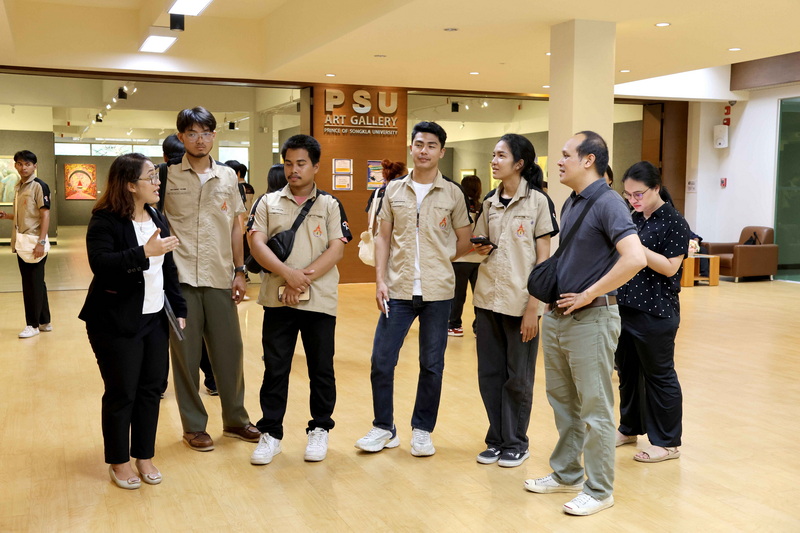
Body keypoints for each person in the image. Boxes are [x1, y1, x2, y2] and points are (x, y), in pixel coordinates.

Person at [524, 131, 646, 516]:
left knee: (595, 408)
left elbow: (635, 258)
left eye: (566, 155)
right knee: (564, 402)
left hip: (593, 318)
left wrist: (589, 293)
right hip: (560, 315)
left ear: (589, 160)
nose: (559, 161)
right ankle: (567, 473)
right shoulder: (572, 201)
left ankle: (599, 489)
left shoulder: (609, 203)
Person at [355, 121, 473, 456]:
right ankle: (384, 428)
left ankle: (422, 430)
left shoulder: (452, 194)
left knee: (432, 365)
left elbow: (464, 240)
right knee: (381, 360)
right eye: (419, 144)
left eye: (431, 145)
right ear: (411, 148)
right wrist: (380, 280)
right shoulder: (392, 191)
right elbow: (382, 237)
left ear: (441, 152)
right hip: (398, 289)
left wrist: (440, 259)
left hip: (439, 293)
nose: (424, 151)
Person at [79, 153, 187, 489]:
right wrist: (144, 253)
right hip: (114, 320)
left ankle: (144, 455)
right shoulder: (105, 219)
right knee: (122, 391)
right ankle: (119, 461)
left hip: (154, 319)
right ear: (129, 185)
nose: (157, 182)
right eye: (150, 177)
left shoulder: (156, 216)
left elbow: (168, 267)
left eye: (157, 176)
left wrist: (179, 308)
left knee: (151, 389)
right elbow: (101, 264)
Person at [247, 134, 351, 465]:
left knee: (321, 368)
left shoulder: (330, 204)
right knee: (275, 367)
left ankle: (320, 428)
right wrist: (286, 274)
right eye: (288, 163)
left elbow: (337, 248)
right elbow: (256, 244)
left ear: (316, 166)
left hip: (318, 300)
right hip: (277, 299)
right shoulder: (266, 202)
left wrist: (301, 277)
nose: (294, 170)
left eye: (301, 163)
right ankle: (271, 433)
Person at [161, 106, 259, 451]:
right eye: (192, 134)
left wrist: (240, 271)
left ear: (214, 136)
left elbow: (235, 226)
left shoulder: (229, 177)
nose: (199, 140)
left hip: (219, 277)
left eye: (205, 133)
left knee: (230, 351)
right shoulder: (166, 176)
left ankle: (236, 420)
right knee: (186, 358)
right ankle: (193, 426)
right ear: (181, 137)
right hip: (180, 279)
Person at [472, 134, 558, 468]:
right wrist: (481, 247)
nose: (494, 161)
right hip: (487, 299)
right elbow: (481, 246)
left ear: (519, 163)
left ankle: (516, 442)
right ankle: (496, 439)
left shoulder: (538, 202)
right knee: (489, 374)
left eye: (501, 155)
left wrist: (533, 308)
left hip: (522, 303)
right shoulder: (489, 202)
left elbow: (543, 261)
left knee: (518, 378)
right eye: (493, 155)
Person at [615, 161, 689, 463]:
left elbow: (670, 267)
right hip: (626, 307)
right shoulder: (635, 218)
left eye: (639, 194)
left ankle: (667, 443)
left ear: (656, 188)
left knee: (660, 376)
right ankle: (629, 427)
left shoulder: (675, 222)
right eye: (628, 195)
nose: (633, 200)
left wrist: (637, 249)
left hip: (656, 311)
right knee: (627, 373)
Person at [158, 134, 216, 397]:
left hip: (170, 264)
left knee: (168, 327)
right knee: (196, 329)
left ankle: (160, 385)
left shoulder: (162, 176)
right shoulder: (176, 177)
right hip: (193, 266)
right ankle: (212, 380)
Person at [0, 151, 52, 338]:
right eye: (20, 164)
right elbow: (26, 215)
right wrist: (7, 216)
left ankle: (33, 325)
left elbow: (45, 215)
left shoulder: (39, 186)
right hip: (22, 241)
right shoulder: (19, 186)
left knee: (31, 285)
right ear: (15, 165)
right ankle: (44, 321)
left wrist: (41, 242)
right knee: (36, 283)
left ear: (35, 166)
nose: (24, 168)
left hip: (33, 241)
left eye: (28, 164)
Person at [448, 174, 483, 337]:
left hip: (460, 258)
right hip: (479, 258)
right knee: (480, 295)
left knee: (458, 295)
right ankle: (479, 327)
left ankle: (455, 325)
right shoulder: (482, 207)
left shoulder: (458, 207)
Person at [228, 159, 255, 287]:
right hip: (244, 222)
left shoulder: (238, 187)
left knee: (240, 252)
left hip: (239, 223)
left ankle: (241, 274)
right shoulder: (249, 187)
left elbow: (240, 210)